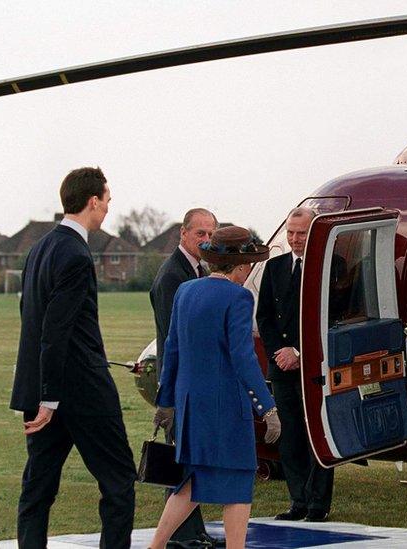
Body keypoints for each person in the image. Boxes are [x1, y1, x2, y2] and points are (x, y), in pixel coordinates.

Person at [11, 166, 137, 549]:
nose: (108, 209)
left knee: (38, 488)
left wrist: (41, 392)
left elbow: (30, 321)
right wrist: (50, 399)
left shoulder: (39, 249)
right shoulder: (75, 253)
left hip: (45, 388)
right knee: (119, 482)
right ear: (93, 200)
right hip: (80, 392)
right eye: (107, 201)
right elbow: (53, 329)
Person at [150, 226, 282, 549]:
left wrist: (165, 402)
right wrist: (267, 406)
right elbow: (243, 357)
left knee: (191, 481)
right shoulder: (238, 296)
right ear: (240, 266)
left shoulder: (185, 292)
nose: (249, 270)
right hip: (226, 410)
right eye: (249, 264)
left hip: (192, 407)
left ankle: (155, 547)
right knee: (237, 482)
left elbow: (172, 349)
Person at [256, 207, 336, 522]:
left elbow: (333, 317)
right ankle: (297, 500)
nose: (295, 239)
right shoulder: (273, 268)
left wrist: (300, 353)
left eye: (301, 233)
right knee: (290, 435)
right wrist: (280, 351)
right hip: (282, 367)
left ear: (314, 231)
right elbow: (264, 316)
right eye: (291, 232)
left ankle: (318, 504)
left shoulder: (330, 266)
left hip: (315, 367)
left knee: (317, 432)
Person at [148, 208, 219, 548]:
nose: (205, 240)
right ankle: (183, 535)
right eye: (199, 234)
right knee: (181, 459)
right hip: (179, 382)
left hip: (192, 381)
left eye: (210, 234)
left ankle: (192, 532)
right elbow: (174, 339)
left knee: (189, 457)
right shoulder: (171, 277)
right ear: (183, 234)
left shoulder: (197, 269)